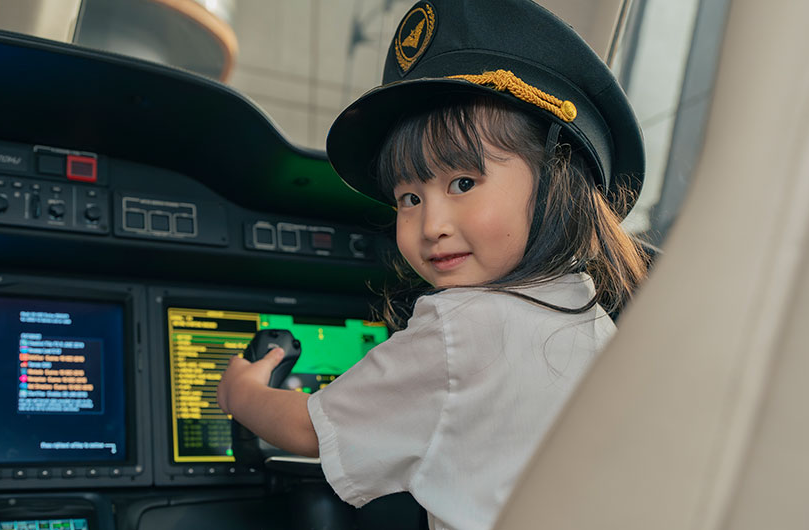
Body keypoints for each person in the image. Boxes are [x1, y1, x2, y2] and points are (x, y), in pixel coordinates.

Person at [218, 1, 649, 528]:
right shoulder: (591, 317)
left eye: (463, 183)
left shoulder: (459, 327)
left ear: (557, 181)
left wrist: (242, 392)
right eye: (408, 198)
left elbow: (311, 430)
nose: (430, 225)